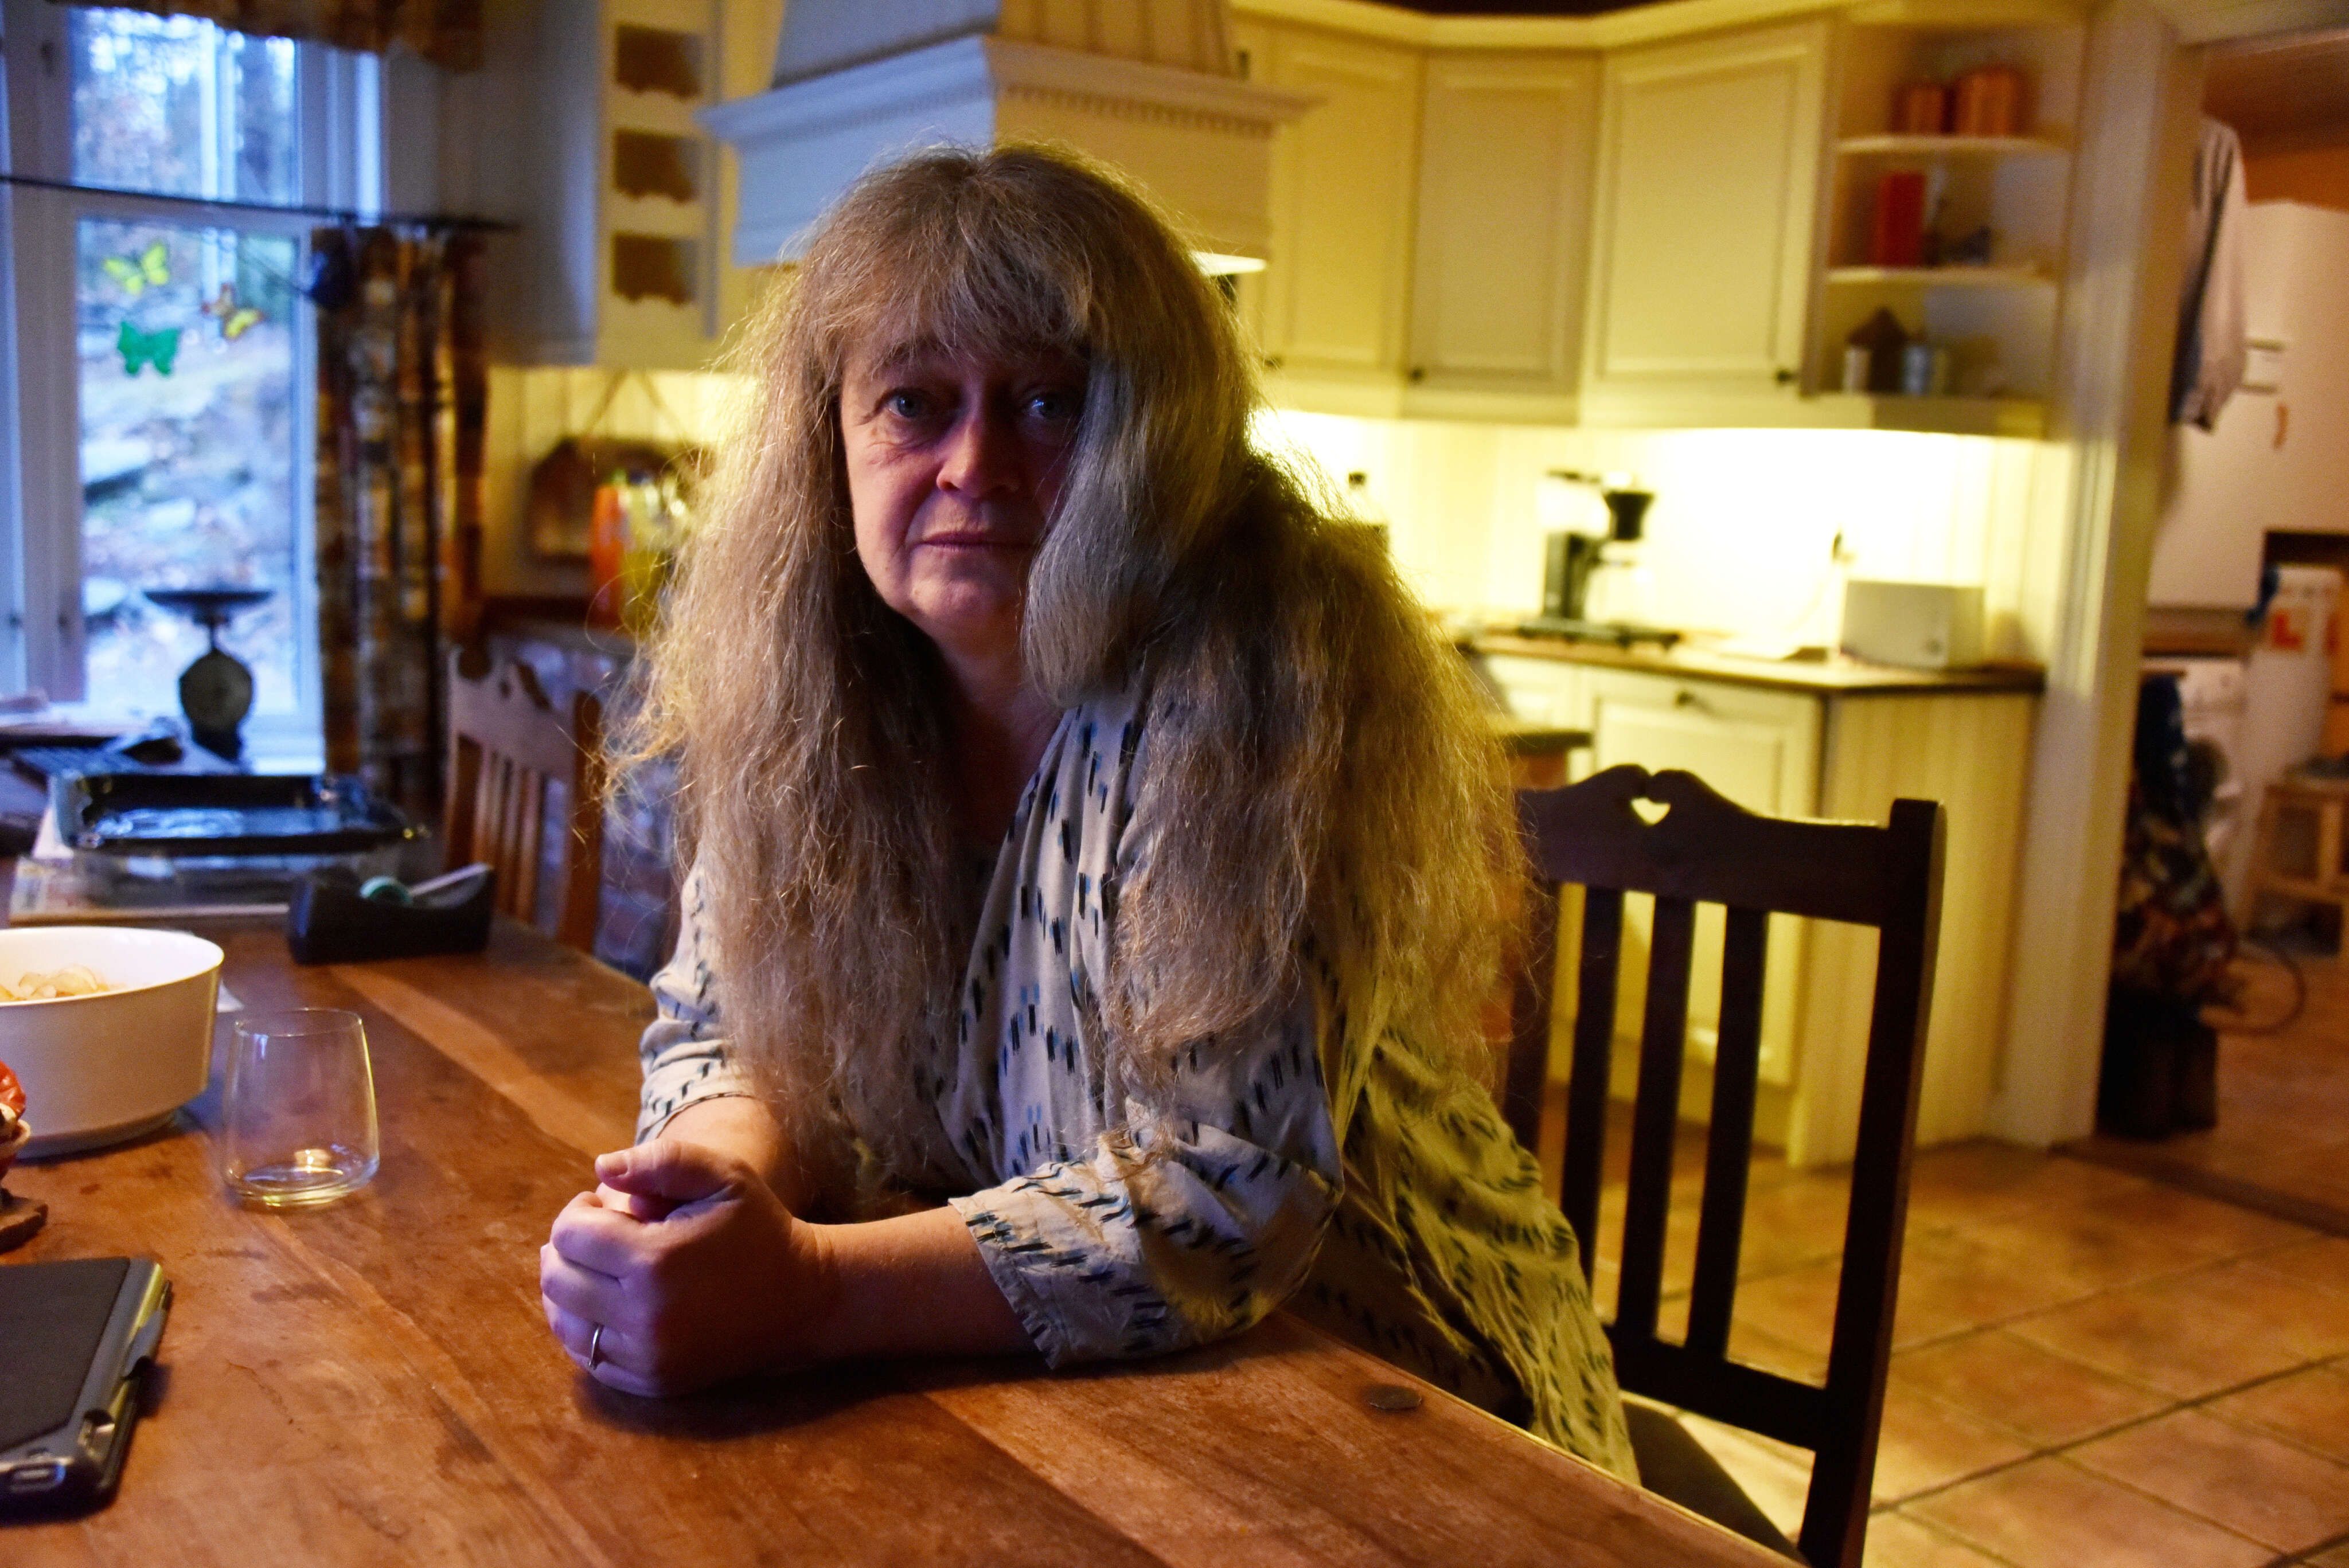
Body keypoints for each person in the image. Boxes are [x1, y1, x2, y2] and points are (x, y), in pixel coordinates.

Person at [537, 144, 1636, 1480]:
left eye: (1050, 403)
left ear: (1147, 434)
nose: (974, 464)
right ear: (830, 440)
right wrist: (722, 1180)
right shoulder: (811, 687)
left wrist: (808, 1289)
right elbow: (729, 1027)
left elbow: (1220, 1184)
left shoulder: (1265, 666)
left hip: (1389, 1387)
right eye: (912, 402)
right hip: (1062, 1384)